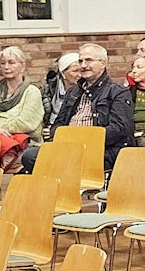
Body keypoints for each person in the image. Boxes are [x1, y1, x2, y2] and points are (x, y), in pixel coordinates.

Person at [32, 43, 133, 174]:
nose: (84, 65)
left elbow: (120, 129)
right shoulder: (73, 92)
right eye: (80, 61)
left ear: (103, 63)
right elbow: (58, 124)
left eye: (89, 60)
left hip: (101, 150)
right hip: (69, 148)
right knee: (31, 156)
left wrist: (83, 139)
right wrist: (62, 137)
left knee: (54, 162)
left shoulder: (118, 92)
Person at [0, 45, 45, 171]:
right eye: (3, 63)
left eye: (11, 63)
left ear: (23, 66)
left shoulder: (32, 92)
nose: (6, 67)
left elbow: (25, 123)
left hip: (24, 143)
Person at [43, 51, 82, 130]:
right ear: (63, 73)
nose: (80, 75)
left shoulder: (86, 91)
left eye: (82, 71)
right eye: (75, 71)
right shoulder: (48, 91)